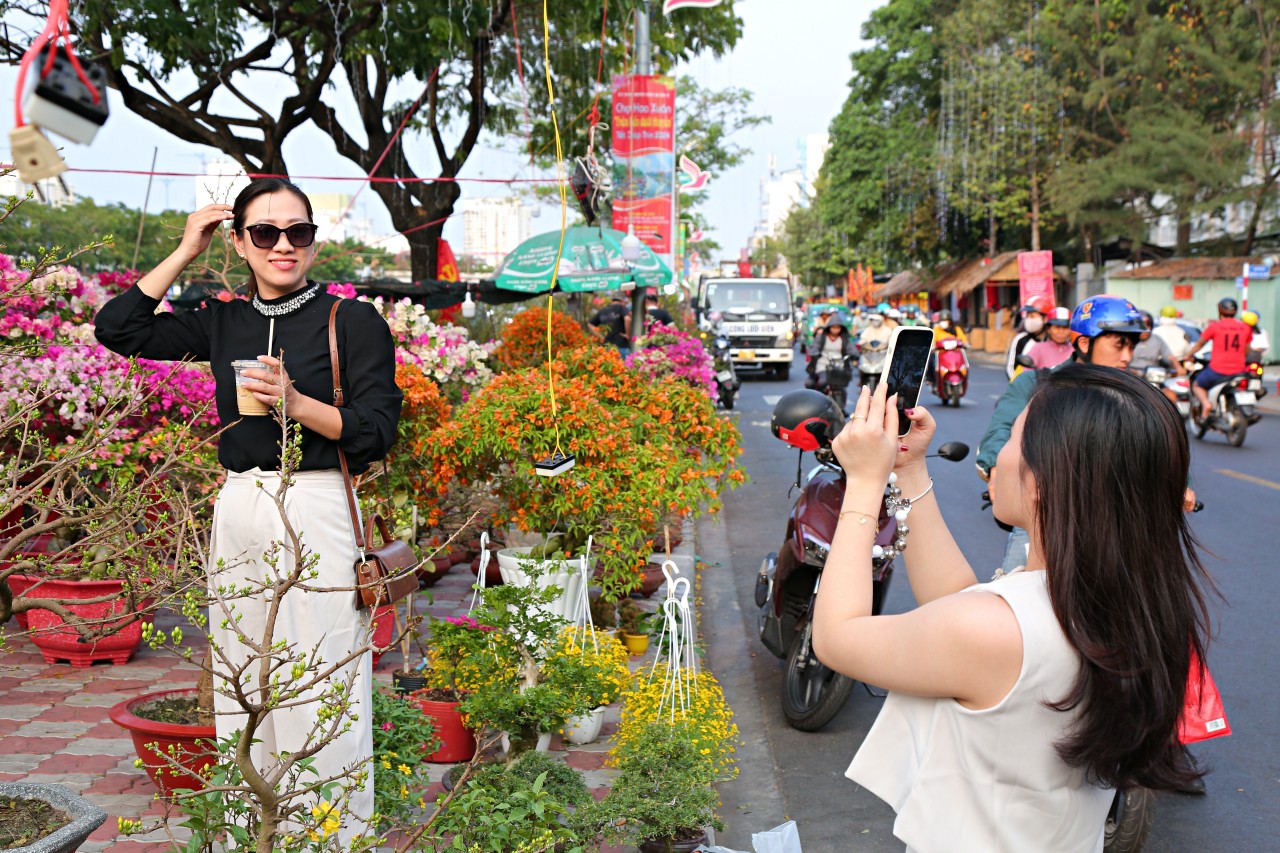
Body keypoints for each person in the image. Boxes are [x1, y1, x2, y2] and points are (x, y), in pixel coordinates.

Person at [94, 178, 402, 842]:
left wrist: (297, 405)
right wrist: (184, 249)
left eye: (299, 232)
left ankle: (329, 834)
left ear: (315, 242)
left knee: (325, 677)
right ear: (239, 242)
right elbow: (118, 328)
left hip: (319, 503)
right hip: (240, 505)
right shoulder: (221, 318)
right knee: (244, 678)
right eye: (265, 233)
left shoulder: (351, 320)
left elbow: (378, 429)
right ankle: (252, 831)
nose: (283, 245)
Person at [814, 374, 1210, 852]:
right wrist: (911, 468)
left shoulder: (999, 630)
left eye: (1013, 438)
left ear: (1044, 482)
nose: (997, 453)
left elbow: (837, 636)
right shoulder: (1122, 603)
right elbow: (960, 610)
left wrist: (863, 482)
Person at [1186, 298, 1252, 420]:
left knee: (1197, 385)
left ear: (1220, 310)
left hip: (1217, 370)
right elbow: (1247, 350)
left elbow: (1200, 344)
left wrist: (1189, 355)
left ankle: (1206, 404)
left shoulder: (1215, 326)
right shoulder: (1245, 328)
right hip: (1239, 370)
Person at [807, 312, 856, 390]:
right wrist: (814, 353)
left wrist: (854, 355)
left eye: (838, 328)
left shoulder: (844, 339)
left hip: (840, 365)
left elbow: (851, 349)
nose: (835, 330)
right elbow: (814, 347)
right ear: (829, 327)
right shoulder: (822, 337)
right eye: (833, 327)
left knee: (842, 384)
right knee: (823, 382)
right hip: (824, 363)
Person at [1004, 302, 1047, 380]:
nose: (1028, 319)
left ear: (1045, 319)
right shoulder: (1020, 339)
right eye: (1027, 316)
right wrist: (1019, 386)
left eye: (1032, 316)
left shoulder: (1051, 341)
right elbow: (1010, 368)